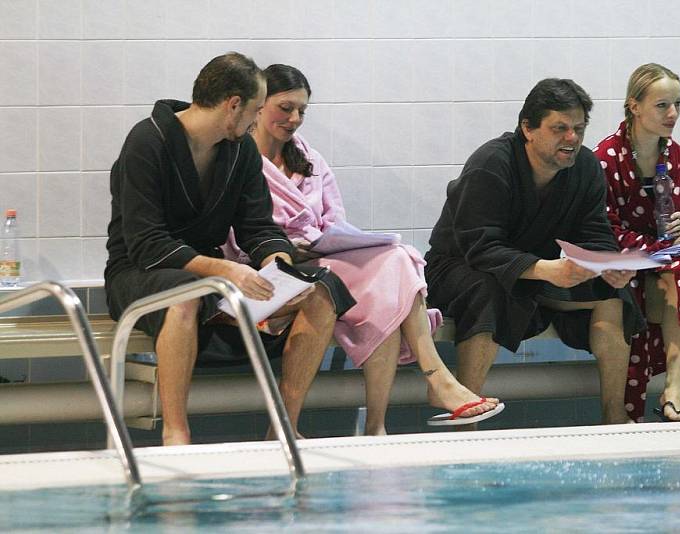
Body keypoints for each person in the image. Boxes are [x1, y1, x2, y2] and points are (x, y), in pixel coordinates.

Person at [223, 64, 504, 435]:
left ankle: (383, 422)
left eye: (302, 111)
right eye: (285, 107)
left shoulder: (309, 159)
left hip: (322, 258)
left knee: (396, 261)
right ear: (259, 106)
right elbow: (232, 233)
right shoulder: (237, 160)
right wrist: (288, 249)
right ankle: (431, 385)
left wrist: (332, 241)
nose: (294, 119)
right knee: (392, 280)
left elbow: (334, 221)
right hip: (269, 271)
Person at [104, 53, 355, 446]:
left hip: (208, 275)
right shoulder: (148, 141)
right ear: (233, 104)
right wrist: (225, 271)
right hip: (139, 272)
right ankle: (176, 435)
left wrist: (280, 266)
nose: (257, 121)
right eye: (257, 109)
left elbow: (258, 227)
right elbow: (146, 243)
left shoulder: (238, 152)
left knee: (320, 290)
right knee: (185, 293)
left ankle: (283, 428)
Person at [424, 78, 644, 426]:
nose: (572, 138)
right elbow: (480, 247)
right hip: (458, 268)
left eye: (578, 129)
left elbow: (596, 233)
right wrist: (544, 269)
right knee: (489, 289)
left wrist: (608, 266)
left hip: (538, 272)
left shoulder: (585, 169)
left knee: (614, 295)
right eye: (560, 128)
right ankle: (466, 407)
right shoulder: (491, 164)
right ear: (527, 128)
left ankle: (615, 415)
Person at [593, 63, 680, 422]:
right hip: (623, 270)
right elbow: (605, 229)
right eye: (662, 105)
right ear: (634, 106)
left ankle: (676, 390)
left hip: (671, 271)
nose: (673, 114)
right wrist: (657, 247)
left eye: (678, 104)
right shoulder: (605, 159)